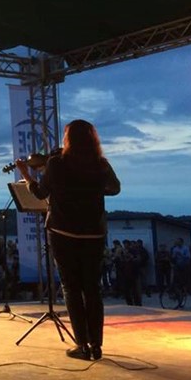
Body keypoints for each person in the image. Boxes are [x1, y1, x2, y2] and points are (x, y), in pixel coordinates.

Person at [16, 119, 120, 361]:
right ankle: (96, 345)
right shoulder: (100, 164)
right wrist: (92, 189)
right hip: (94, 234)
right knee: (92, 289)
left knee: (71, 289)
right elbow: (115, 188)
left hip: (63, 233)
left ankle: (81, 345)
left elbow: (40, 193)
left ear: (68, 139)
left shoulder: (57, 163)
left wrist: (26, 175)